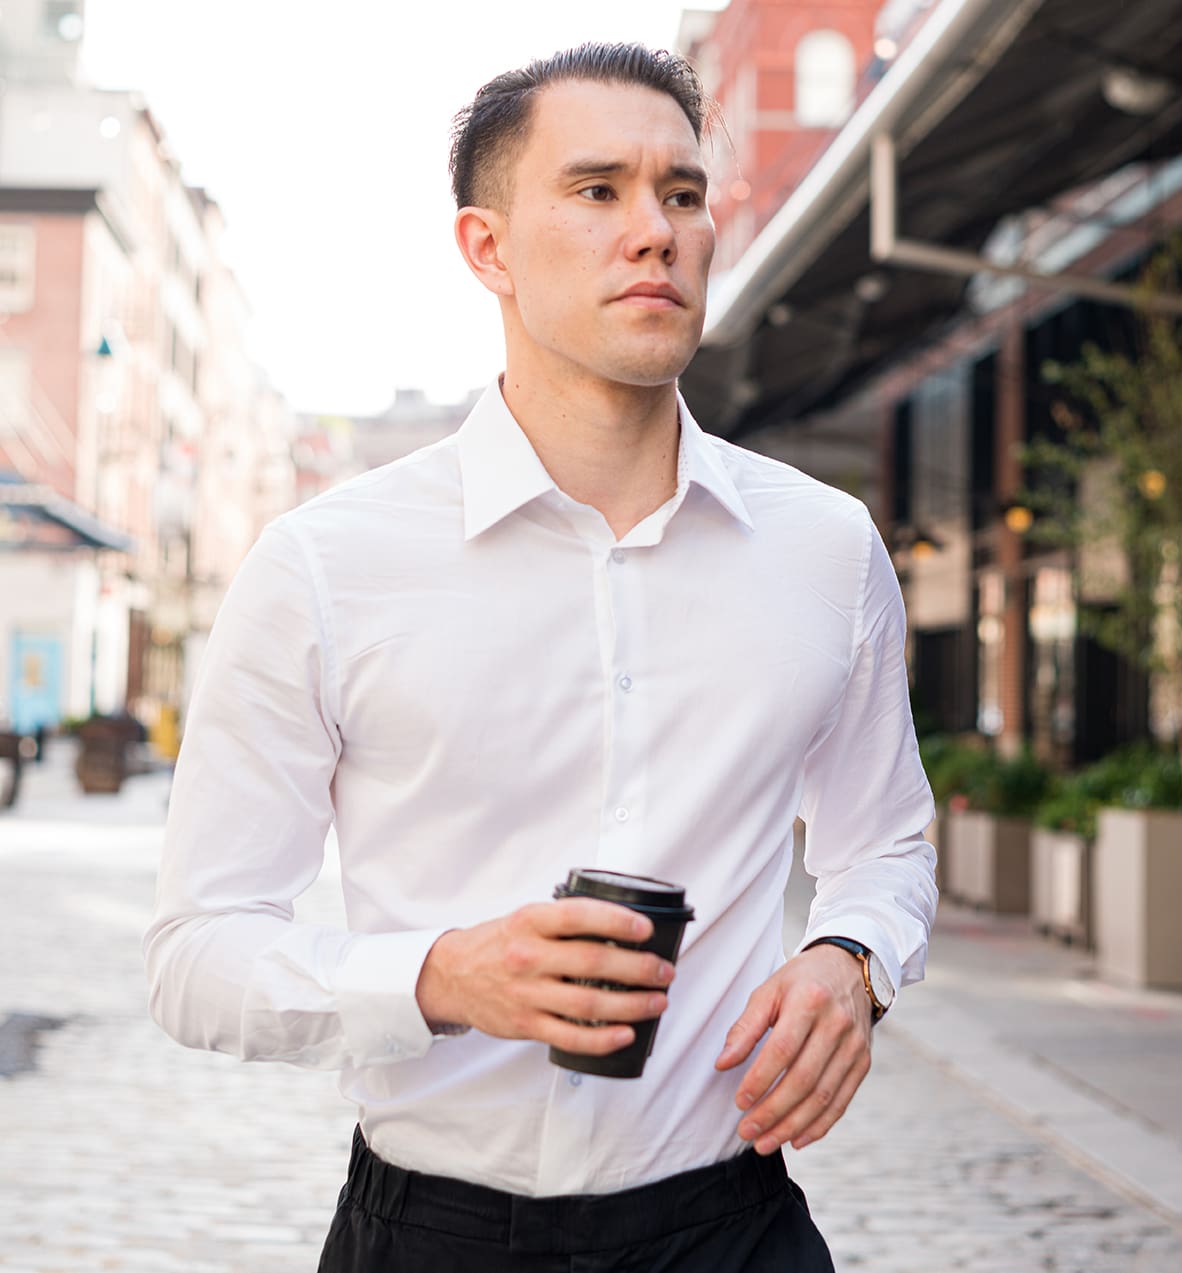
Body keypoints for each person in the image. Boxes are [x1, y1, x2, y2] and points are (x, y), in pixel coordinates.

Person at [144, 41, 937, 1273]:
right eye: (596, 189)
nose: (654, 231)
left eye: (681, 194)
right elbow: (199, 953)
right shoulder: (325, 565)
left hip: (731, 1228)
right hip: (438, 1233)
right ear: (487, 250)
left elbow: (882, 841)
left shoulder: (824, 549)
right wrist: (441, 977)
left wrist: (852, 961)